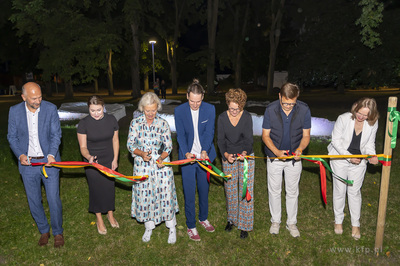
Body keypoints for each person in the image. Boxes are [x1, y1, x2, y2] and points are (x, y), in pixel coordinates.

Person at [7, 82, 64, 247]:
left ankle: (58, 232)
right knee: (34, 200)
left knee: (53, 199)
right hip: (28, 164)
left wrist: (52, 154)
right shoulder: (15, 112)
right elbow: (12, 137)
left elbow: (56, 134)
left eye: (40, 97)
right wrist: (20, 154)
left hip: (49, 163)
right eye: (33, 98)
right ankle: (43, 230)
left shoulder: (50, 109)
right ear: (24, 97)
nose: (38, 101)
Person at [127, 92, 179, 244]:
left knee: (165, 194)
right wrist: (141, 153)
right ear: (142, 108)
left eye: (154, 110)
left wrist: (162, 158)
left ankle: (172, 228)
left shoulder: (163, 123)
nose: (151, 113)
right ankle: (148, 226)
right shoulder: (135, 123)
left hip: (161, 165)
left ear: (158, 108)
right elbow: (130, 145)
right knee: (145, 196)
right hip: (142, 166)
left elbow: (168, 145)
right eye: (148, 110)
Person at [262, 82, 311, 238]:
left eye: (292, 103)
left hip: (294, 159)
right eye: (285, 103)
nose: (288, 106)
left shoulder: (304, 110)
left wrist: (300, 150)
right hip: (274, 157)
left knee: (292, 191)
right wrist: (276, 152)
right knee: (274, 190)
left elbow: (306, 136)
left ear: (296, 99)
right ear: (279, 96)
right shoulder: (270, 110)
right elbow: (265, 135)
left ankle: (291, 223)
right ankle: (275, 221)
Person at [328, 98, 379, 240]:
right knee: (339, 189)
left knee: (354, 191)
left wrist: (371, 156)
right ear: (355, 107)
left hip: (359, 162)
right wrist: (349, 157)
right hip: (339, 158)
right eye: (359, 113)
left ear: (371, 115)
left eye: (365, 115)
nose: (361, 117)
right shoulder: (343, 119)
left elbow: (370, 143)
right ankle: (338, 221)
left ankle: (355, 224)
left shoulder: (372, 123)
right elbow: (336, 141)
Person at [174, 79, 216, 241]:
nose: (195, 104)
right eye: (192, 101)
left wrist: (204, 150)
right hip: (188, 158)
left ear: (203, 98)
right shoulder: (180, 111)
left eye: (198, 101)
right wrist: (186, 153)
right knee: (189, 192)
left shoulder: (210, 109)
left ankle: (203, 218)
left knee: (204, 190)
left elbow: (209, 132)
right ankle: (191, 225)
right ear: (187, 97)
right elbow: (181, 135)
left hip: (204, 157)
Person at [77, 96, 120, 235]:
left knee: (109, 187)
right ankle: (99, 218)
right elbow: (83, 147)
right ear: (88, 109)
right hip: (92, 161)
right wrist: (88, 157)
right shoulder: (83, 123)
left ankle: (110, 214)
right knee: (96, 188)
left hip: (109, 158)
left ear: (104, 107)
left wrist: (115, 159)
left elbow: (115, 141)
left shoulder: (111, 120)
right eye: (92, 110)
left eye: (99, 110)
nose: (96, 113)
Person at [217, 88, 255, 239]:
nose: (233, 111)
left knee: (245, 189)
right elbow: (220, 140)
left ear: (242, 106)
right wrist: (226, 155)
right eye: (231, 108)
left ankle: (245, 224)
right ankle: (232, 220)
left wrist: (244, 153)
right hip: (229, 156)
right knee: (231, 190)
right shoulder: (221, 118)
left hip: (246, 156)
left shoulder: (246, 117)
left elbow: (249, 140)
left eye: (237, 109)